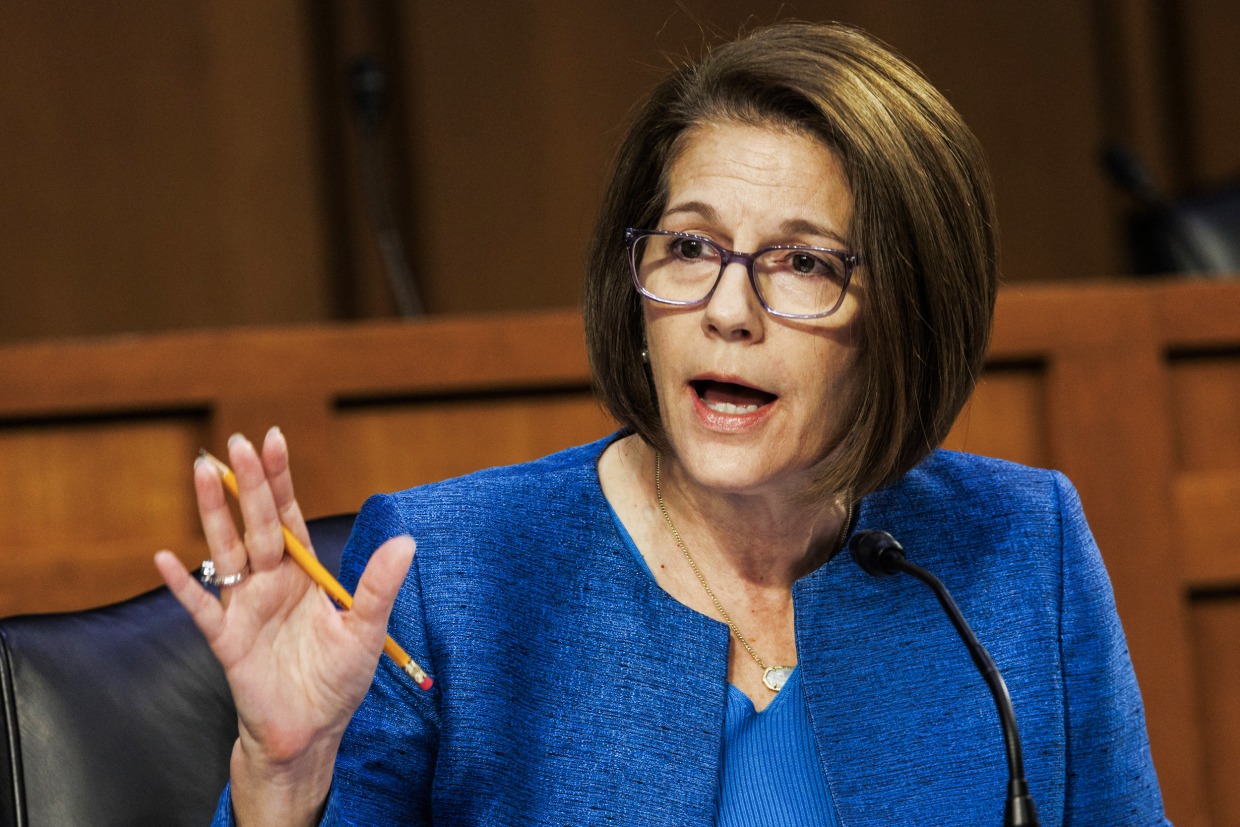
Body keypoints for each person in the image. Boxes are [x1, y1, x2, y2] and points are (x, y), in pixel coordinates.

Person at [155, 20, 1168, 826]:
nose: (729, 307)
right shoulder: (452, 577)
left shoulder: (1018, 547)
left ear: (903, 312)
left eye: (803, 262)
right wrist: (279, 788)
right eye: (689, 246)